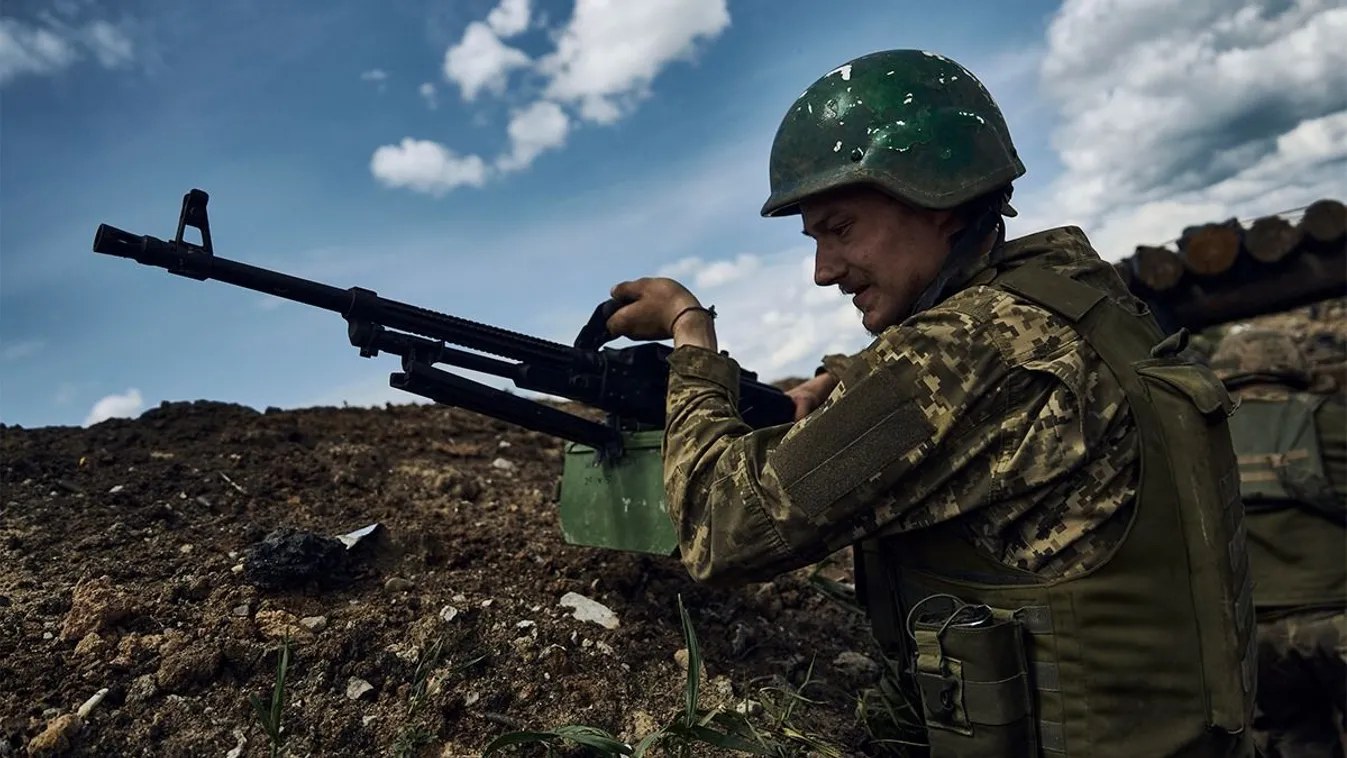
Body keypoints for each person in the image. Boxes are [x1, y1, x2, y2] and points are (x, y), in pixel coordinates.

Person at [603, 49, 1255, 757]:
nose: (823, 272)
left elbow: (720, 527)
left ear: (938, 200)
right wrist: (841, 379)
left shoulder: (963, 349)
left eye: (840, 228)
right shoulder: (1076, 297)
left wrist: (691, 336)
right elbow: (977, 386)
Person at [1210, 329, 1347, 758]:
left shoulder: (1202, 438)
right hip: (1338, 613)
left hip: (1256, 636)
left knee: (1296, 740)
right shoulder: (1329, 419)